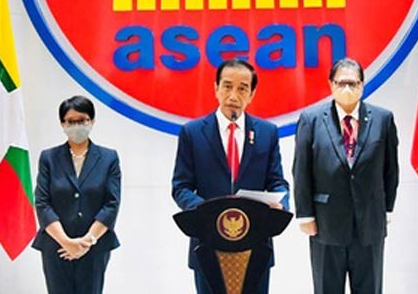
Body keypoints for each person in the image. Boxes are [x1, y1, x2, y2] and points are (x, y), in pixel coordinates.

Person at [171, 58, 290, 294]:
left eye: (242, 88)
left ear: (252, 94)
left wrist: (281, 203)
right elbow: (181, 187)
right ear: (216, 88)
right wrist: (208, 211)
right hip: (208, 243)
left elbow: (277, 181)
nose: (233, 95)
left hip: (255, 246)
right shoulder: (192, 132)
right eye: (227, 86)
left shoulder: (267, 132)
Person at [292, 57, 399, 294]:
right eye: (341, 83)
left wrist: (387, 209)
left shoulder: (383, 119)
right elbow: (301, 170)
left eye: (353, 83)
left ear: (362, 85)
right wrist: (305, 214)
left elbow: (391, 169)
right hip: (325, 223)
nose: (347, 89)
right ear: (331, 84)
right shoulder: (311, 119)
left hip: (370, 222)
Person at [33, 95, 121, 294]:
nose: (77, 126)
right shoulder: (49, 158)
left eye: (82, 120)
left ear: (92, 121)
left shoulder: (108, 158)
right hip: (56, 246)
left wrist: (86, 242)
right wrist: (66, 242)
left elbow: (111, 204)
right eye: (70, 121)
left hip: (94, 246)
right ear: (62, 124)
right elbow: (42, 203)